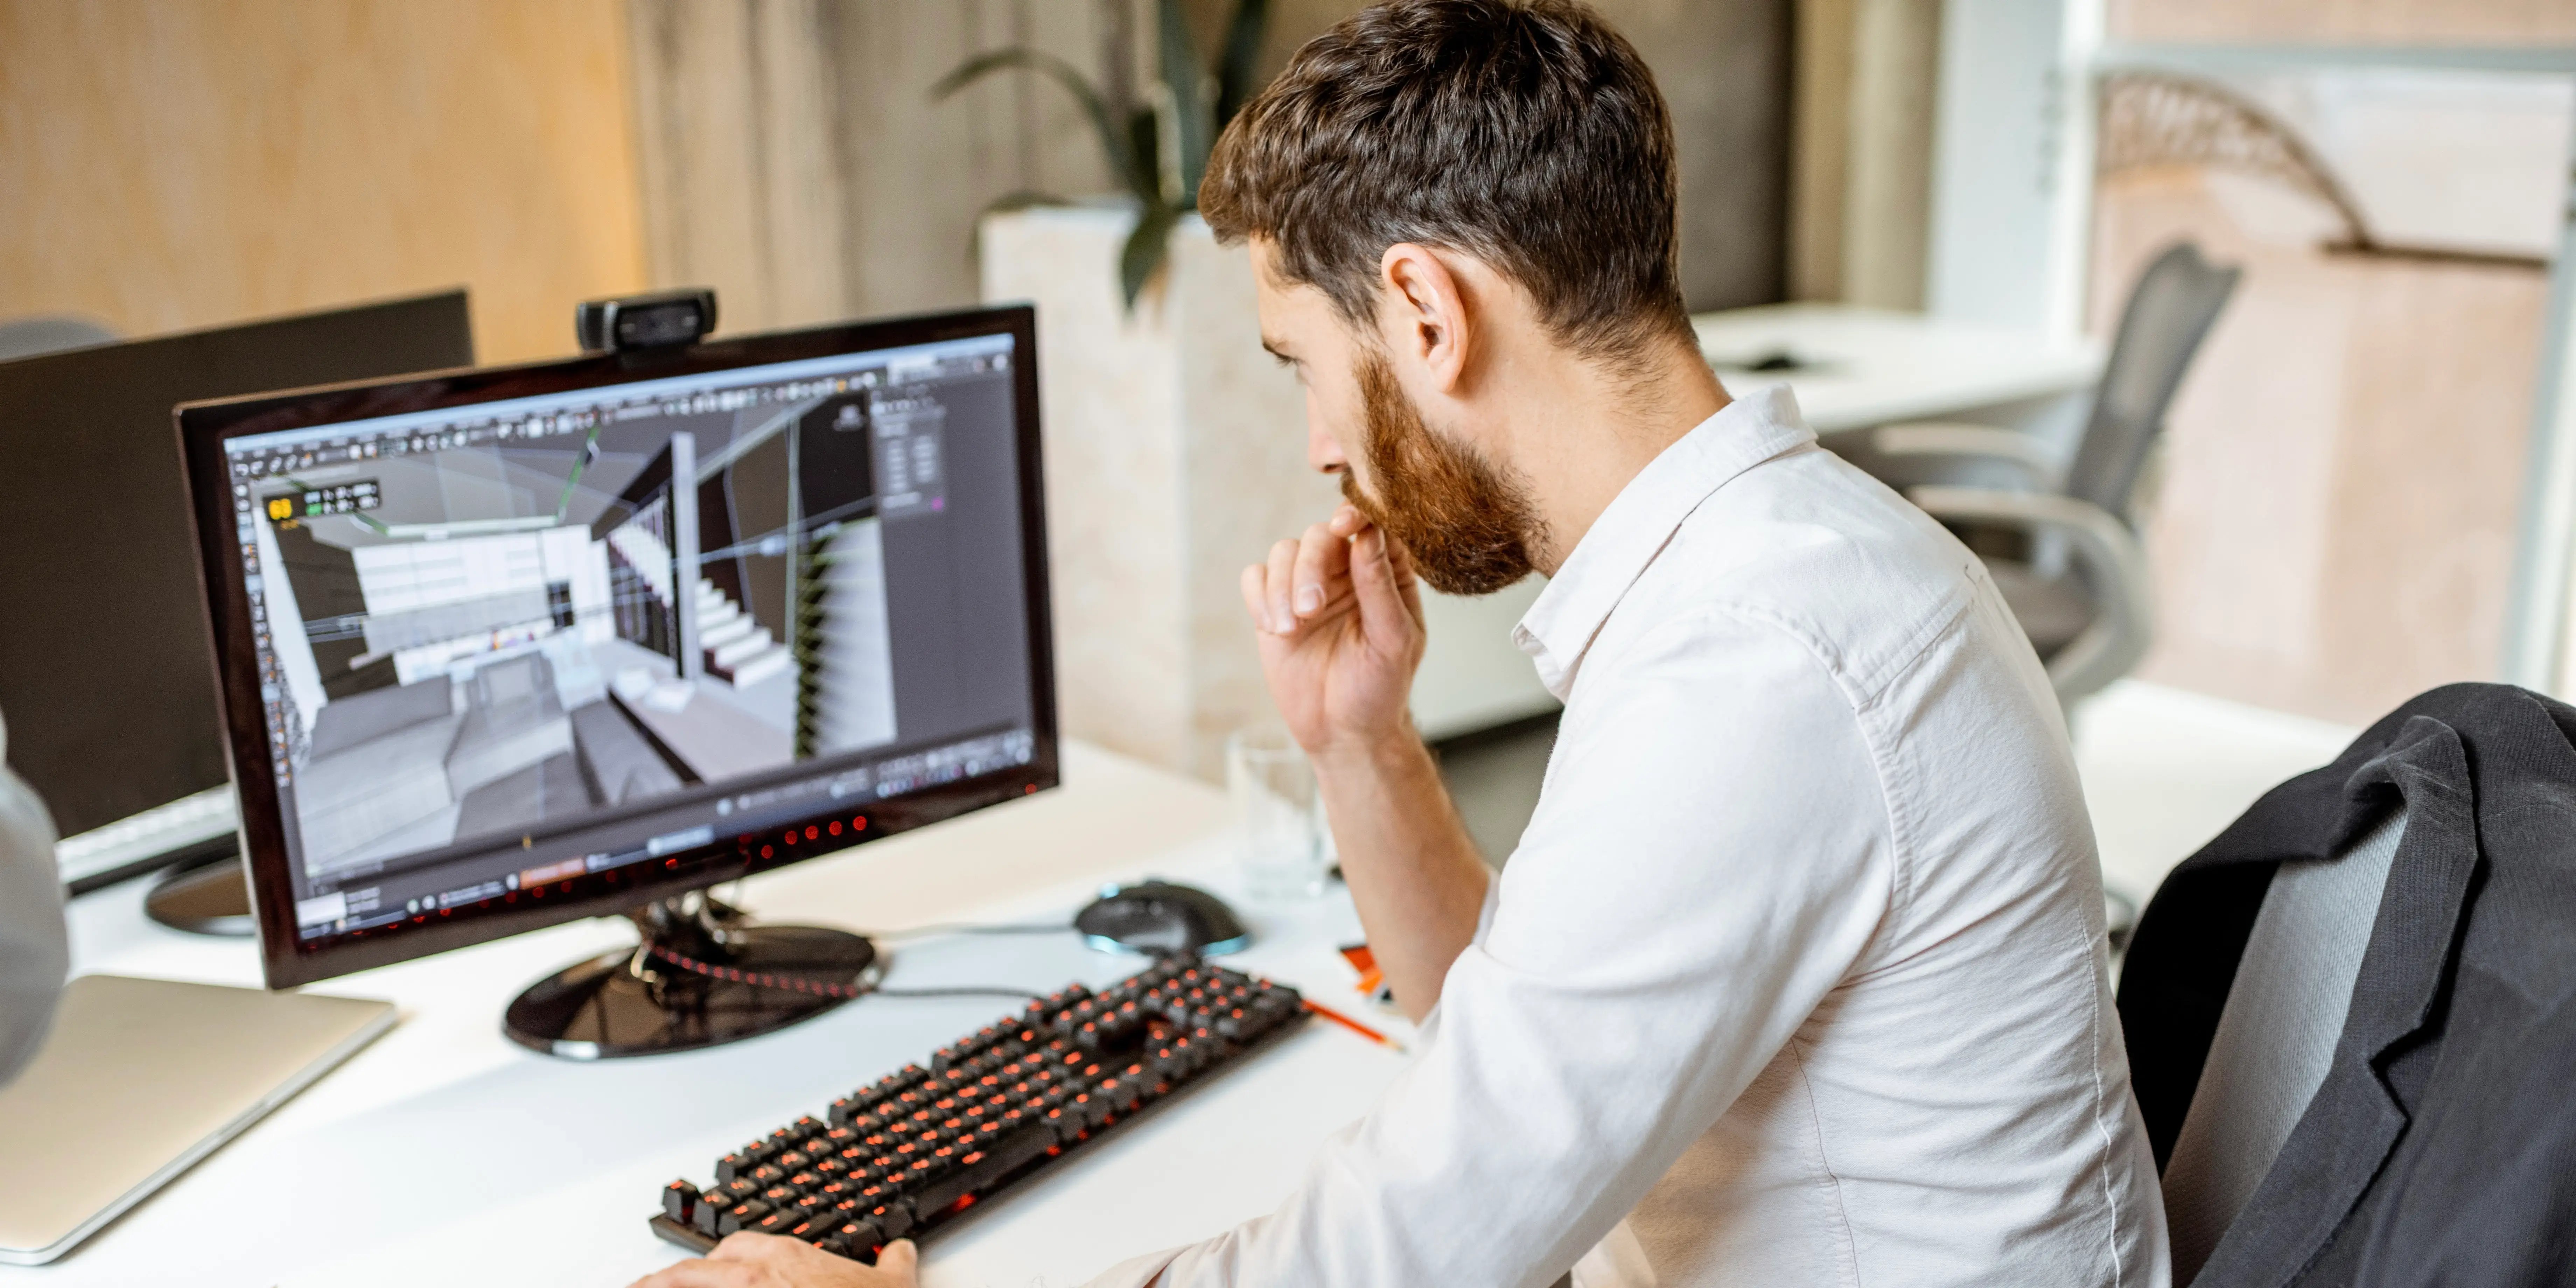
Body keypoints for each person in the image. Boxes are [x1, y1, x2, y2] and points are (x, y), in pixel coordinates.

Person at [633, 2, 2168, 1286]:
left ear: (1427, 315)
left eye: (1304, 364)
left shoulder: (1756, 665)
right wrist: (1358, 740)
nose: (1316, 443)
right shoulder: (1773, 564)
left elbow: (1411, 1252)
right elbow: (1516, 1036)